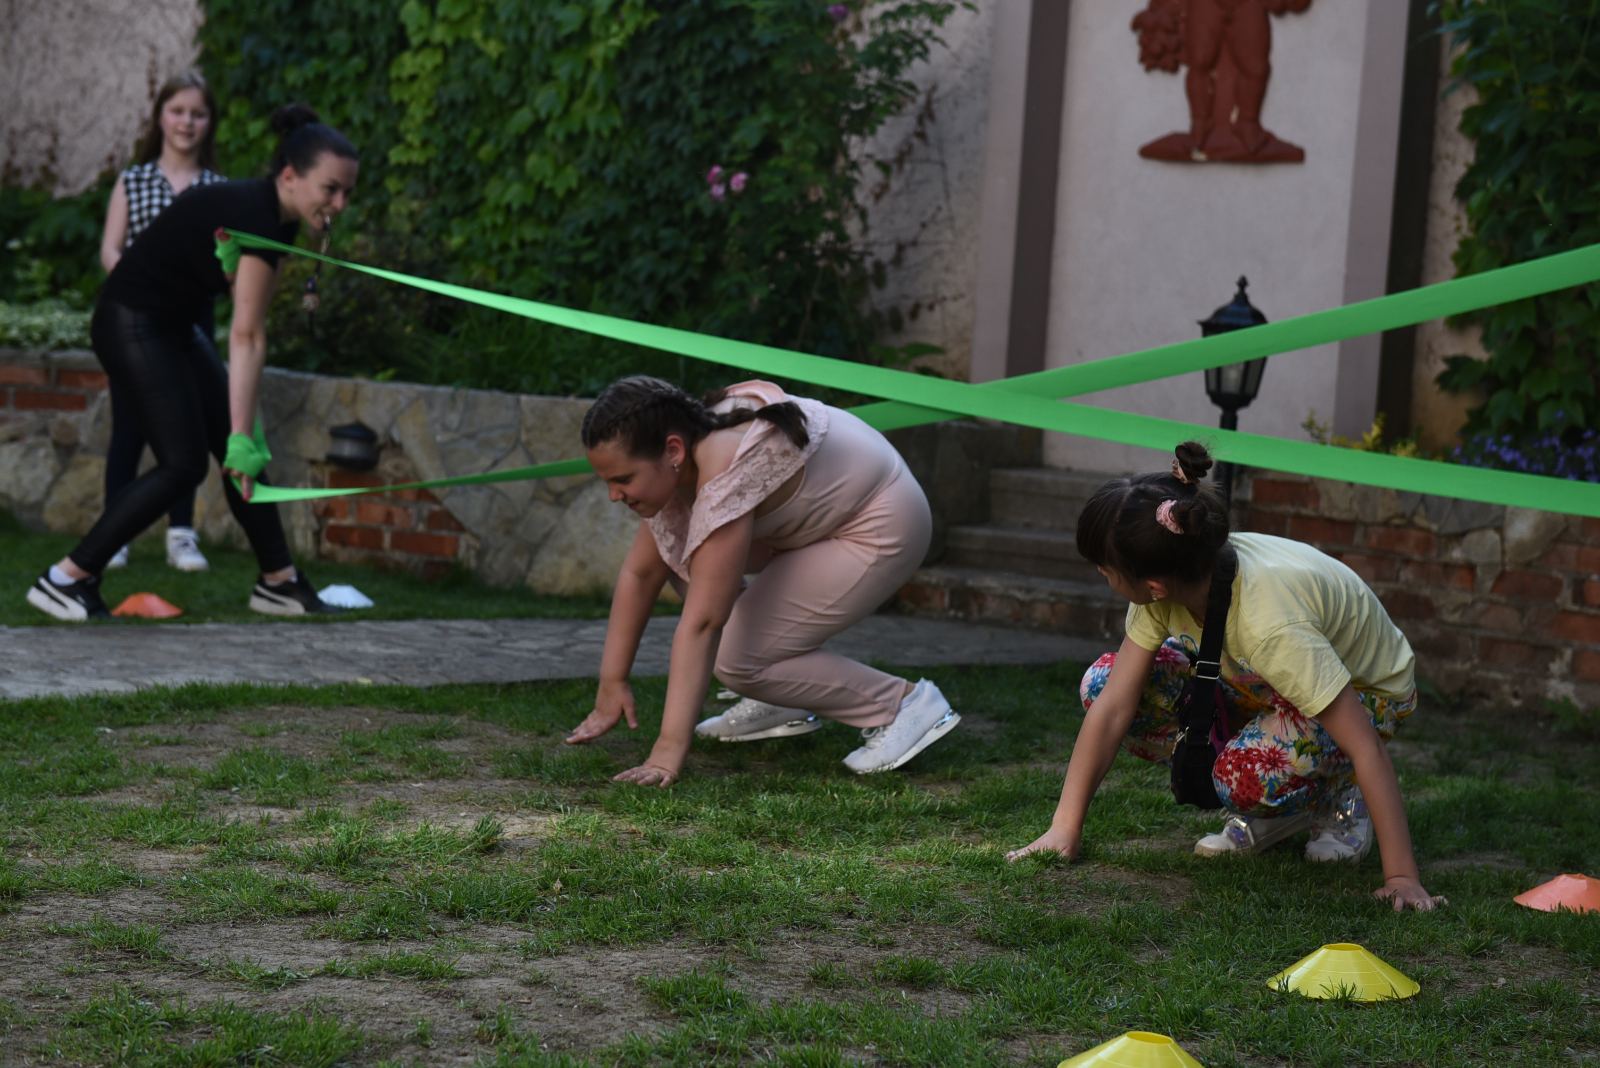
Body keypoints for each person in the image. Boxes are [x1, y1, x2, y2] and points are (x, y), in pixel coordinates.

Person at [1007, 443, 1445, 912]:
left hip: (1368, 694)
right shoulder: (1173, 584)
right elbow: (1115, 705)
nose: (1103, 576)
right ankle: (1280, 797)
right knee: (1101, 685)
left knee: (1243, 776)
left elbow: (1364, 744)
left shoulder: (1269, 624)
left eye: (1105, 570)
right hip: (1264, 682)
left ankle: (1338, 795)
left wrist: (1401, 876)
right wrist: (1063, 829)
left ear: (1153, 585)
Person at [25, 104, 359, 622]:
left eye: (347, 193)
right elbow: (247, 335)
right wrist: (242, 437)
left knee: (237, 443)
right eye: (330, 189)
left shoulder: (276, 216)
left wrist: (241, 437)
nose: (339, 203)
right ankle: (66, 578)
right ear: (291, 176)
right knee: (185, 463)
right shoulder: (258, 215)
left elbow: (238, 307)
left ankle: (278, 581)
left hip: (174, 325)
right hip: (132, 321)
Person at [564, 376, 960, 786]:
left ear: (673, 450)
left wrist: (666, 752)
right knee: (686, 568)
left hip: (881, 522)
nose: (614, 495)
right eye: (607, 482)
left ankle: (902, 706)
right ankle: (778, 700)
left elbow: (704, 622)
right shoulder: (678, 461)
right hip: (818, 527)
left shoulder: (727, 465)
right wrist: (613, 682)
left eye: (623, 480)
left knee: (736, 658)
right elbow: (641, 572)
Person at [97, 70, 227, 573]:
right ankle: (116, 532)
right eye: (177, 111)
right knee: (129, 426)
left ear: (209, 122)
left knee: (186, 428)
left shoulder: (218, 187)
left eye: (197, 113)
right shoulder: (134, 180)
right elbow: (112, 247)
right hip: (137, 320)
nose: (186, 122)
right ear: (160, 117)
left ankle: (181, 534)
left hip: (192, 317)